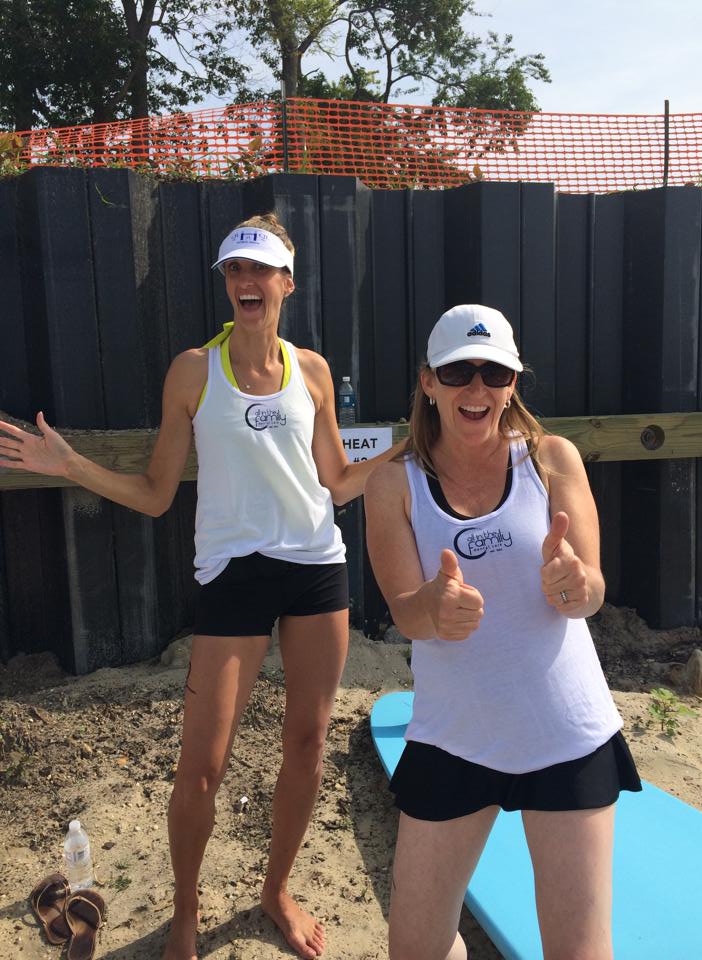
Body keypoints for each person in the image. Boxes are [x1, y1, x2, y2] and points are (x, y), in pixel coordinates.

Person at [0, 213, 401, 960]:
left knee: (308, 743)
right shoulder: (193, 371)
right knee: (201, 766)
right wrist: (70, 466)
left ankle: (276, 889)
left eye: (261, 270)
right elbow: (156, 494)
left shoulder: (311, 370)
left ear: (287, 281)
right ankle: (184, 912)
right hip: (233, 575)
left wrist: (414, 446)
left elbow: (340, 482)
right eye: (234, 271)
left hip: (317, 566)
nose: (247, 283)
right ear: (227, 283)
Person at [364, 304, 642, 960]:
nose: (477, 388)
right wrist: (434, 606)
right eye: (460, 371)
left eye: (495, 372)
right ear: (428, 381)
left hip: (565, 734)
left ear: (514, 383)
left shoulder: (552, 460)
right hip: (455, 736)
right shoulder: (391, 483)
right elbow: (404, 611)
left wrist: (576, 585)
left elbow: (594, 591)